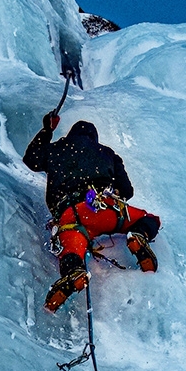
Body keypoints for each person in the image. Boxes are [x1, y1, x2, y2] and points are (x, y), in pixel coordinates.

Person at [24, 110, 161, 312]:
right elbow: (127, 191)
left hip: (71, 215)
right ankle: (138, 235)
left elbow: (31, 159)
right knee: (149, 219)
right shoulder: (107, 153)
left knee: (72, 250)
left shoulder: (56, 149)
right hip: (104, 206)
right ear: (94, 139)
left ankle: (75, 272)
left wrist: (47, 130)